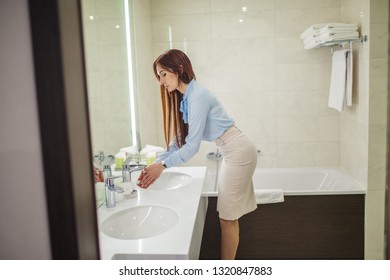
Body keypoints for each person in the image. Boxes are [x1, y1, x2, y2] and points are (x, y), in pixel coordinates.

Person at [137, 49, 258, 260]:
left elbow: (192, 147)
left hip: (238, 151)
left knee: (228, 218)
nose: (161, 81)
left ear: (179, 69)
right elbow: (179, 142)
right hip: (230, 151)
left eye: (163, 73)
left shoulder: (198, 96)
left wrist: (162, 167)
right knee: (227, 217)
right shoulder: (187, 97)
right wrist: (157, 163)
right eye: (159, 76)